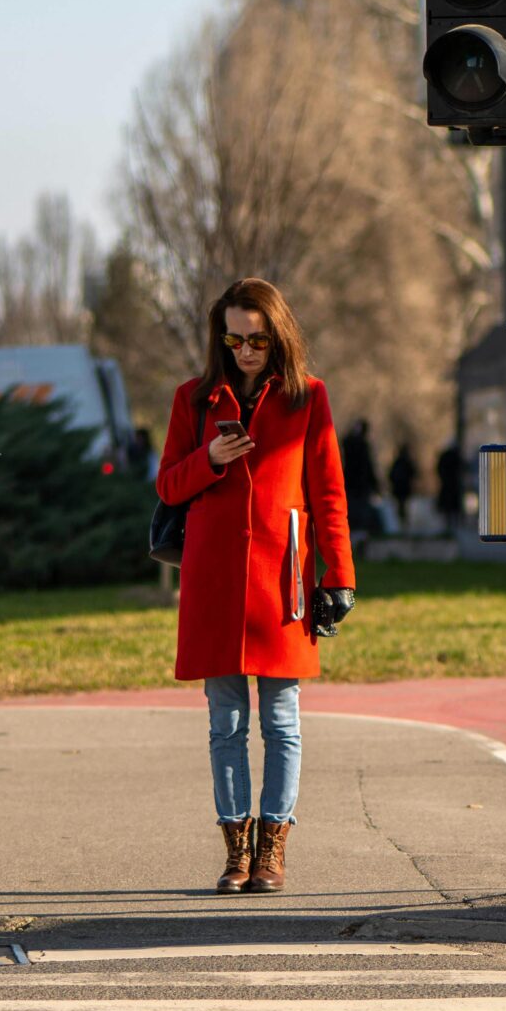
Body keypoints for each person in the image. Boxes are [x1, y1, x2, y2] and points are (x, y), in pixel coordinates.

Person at [155, 277, 355, 896]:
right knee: (226, 722)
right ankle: (236, 852)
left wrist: (339, 577)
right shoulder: (193, 400)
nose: (245, 350)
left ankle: (273, 849)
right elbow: (166, 488)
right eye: (235, 338)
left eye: (258, 340)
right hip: (214, 580)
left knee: (282, 719)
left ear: (278, 338)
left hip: (282, 579)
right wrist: (210, 457)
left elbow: (328, 494)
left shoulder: (307, 398)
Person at [340, 418, 381, 539]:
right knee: (361, 512)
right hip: (361, 485)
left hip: (350, 484)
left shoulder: (348, 443)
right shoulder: (363, 445)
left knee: (352, 511)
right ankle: (360, 535)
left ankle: (353, 533)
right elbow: (368, 466)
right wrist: (375, 484)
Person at [433, 440, 465, 530]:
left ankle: (448, 525)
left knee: (448, 507)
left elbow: (438, 468)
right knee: (453, 506)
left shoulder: (445, 456)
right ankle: (453, 525)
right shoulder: (456, 456)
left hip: (447, 484)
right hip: (453, 485)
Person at [387, 442, 418, 533]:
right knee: (403, 506)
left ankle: (402, 524)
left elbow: (391, 475)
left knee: (401, 506)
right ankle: (403, 524)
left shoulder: (397, 463)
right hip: (404, 489)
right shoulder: (406, 462)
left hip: (399, 489)